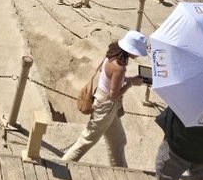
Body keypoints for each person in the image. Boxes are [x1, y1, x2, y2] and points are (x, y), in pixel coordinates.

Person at [60, 32, 148, 168]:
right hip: (106, 106)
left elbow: (106, 73)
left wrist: (127, 79)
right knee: (87, 140)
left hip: (105, 103)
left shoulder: (112, 53)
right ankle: (62, 165)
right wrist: (130, 83)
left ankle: (120, 171)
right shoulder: (120, 67)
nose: (138, 55)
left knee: (118, 141)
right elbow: (113, 96)